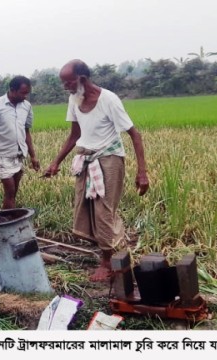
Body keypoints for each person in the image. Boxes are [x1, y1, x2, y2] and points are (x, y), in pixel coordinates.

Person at [43, 59, 150, 282]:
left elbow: (135, 135)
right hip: (86, 158)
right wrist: (56, 162)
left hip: (109, 159)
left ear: (81, 78)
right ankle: (114, 246)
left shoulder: (108, 99)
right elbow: (74, 134)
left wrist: (142, 172)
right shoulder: (74, 99)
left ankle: (107, 262)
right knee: (86, 210)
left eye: (68, 82)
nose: (66, 87)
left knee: (103, 212)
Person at [0, 75, 40, 209]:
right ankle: (9, 221)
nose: (26, 96)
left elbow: (26, 131)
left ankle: (7, 219)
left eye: (27, 93)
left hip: (18, 155)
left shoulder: (26, 106)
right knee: (10, 192)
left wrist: (33, 156)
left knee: (13, 193)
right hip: (2, 155)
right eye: (23, 93)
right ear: (12, 89)